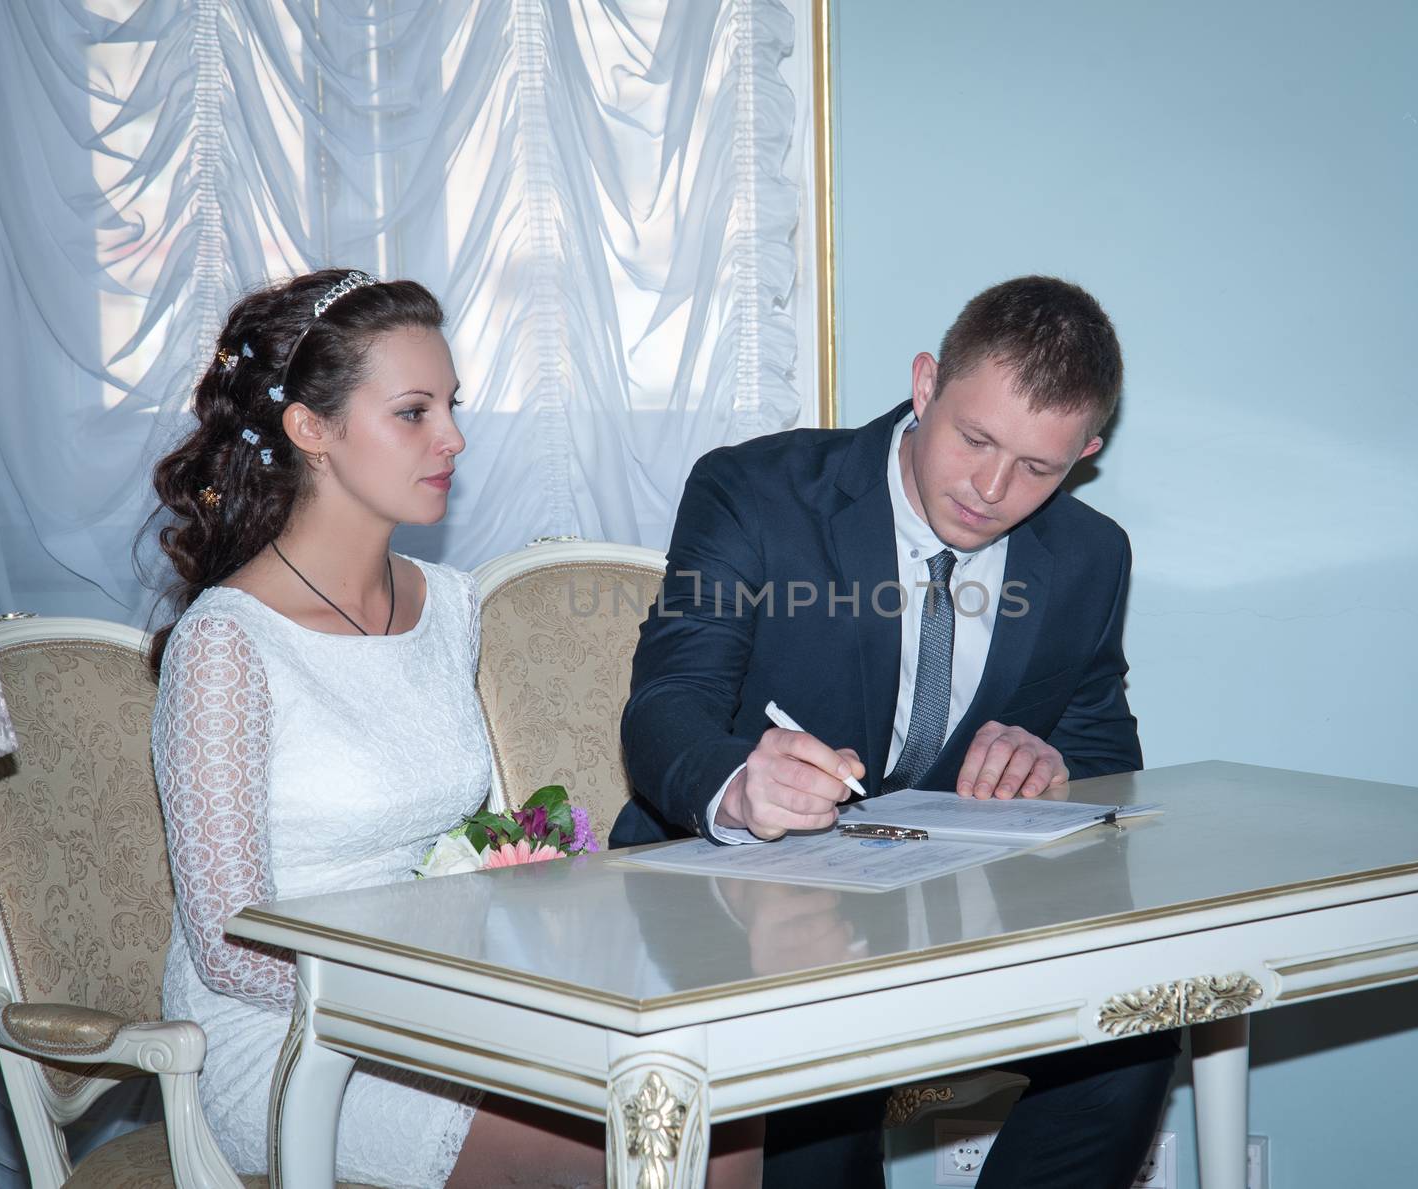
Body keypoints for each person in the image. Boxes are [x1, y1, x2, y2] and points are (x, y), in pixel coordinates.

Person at [147, 269, 762, 1188]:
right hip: (285, 1042)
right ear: (310, 430)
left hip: (441, 1006)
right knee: (653, 1133)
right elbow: (230, 946)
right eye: (414, 412)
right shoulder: (225, 645)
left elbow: (461, 842)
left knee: (726, 1114)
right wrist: (444, 998)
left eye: (453, 405)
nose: (454, 438)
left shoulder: (450, 605)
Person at [614, 275, 1176, 1189]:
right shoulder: (756, 491)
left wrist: (1056, 761)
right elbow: (666, 703)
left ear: (1087, 451)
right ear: (924, 386)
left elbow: (1110, 756)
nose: (992, 489)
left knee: (1135, 1032)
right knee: (818, 1096)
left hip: (955, 921)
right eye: (975, 439)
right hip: (738, 908)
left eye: (1039, 467)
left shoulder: (1089, 554)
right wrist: (738, 784)